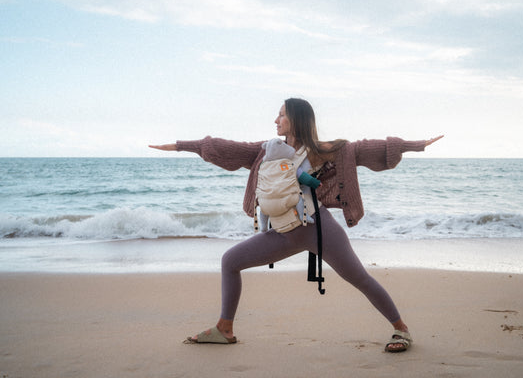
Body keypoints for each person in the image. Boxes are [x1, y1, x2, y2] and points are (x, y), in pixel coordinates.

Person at [149, 98, 443, 352]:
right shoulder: (266, 150)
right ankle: (224, 329)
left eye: (281, 114)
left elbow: (367, 149)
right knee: (230, 261)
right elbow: (226, 148)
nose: (275, 119)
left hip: (319, 229)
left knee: (359, 279)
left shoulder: (325, 150)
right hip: (282, 233)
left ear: (296, 119)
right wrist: (181, 146)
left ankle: (401, 328)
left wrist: (415, 145)